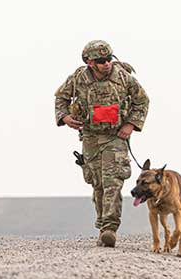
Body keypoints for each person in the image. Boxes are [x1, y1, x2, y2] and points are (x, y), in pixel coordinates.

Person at [54, 40, 149, 247]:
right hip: (90, 137)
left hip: (116, 136)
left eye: (109, 59)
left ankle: (109, 228)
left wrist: (131, 124)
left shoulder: (123, 77)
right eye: (101, 60)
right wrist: (65, 118)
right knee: (97, 183)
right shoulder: (78, 79)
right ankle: (102, 225)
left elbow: (142, 101)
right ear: (89, 62)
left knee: (112, 182)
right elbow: (60, 99)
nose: (106, 64)